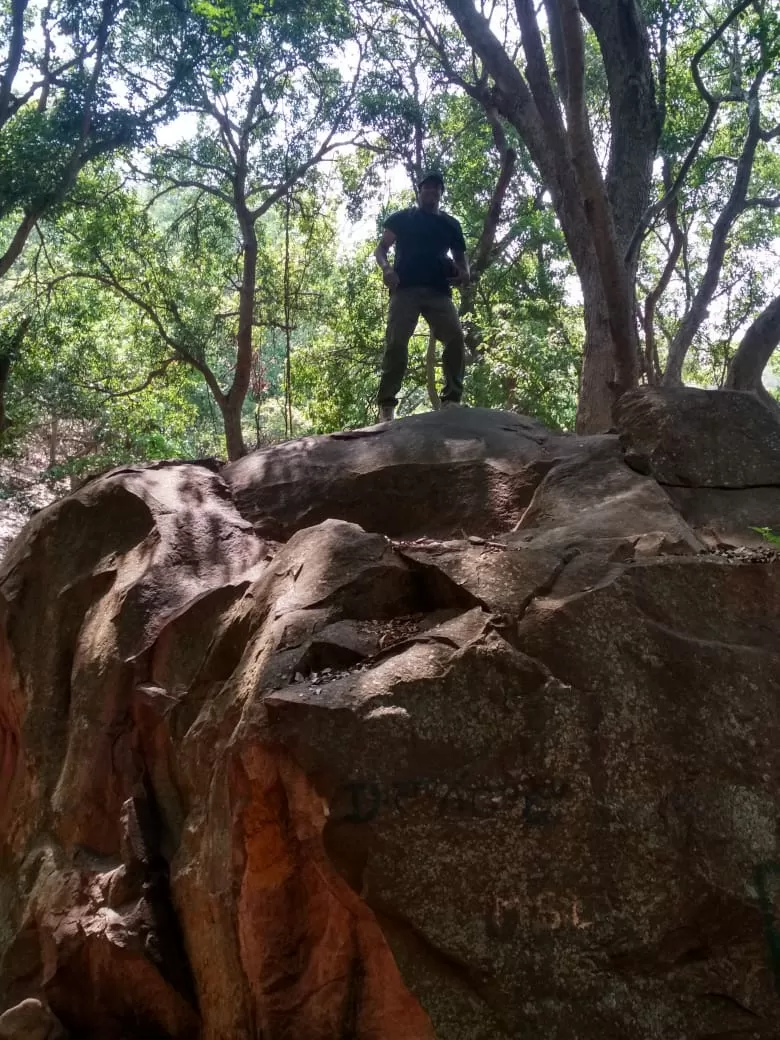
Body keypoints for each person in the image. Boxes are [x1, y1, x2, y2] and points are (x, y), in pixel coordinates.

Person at [374, 171, 470, 422]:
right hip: (405, 289)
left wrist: (463, 273)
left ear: (441, 194)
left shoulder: (450, 224)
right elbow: (382, 248)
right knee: (396, 343)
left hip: (438, 291)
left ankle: (451, 400)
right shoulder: (402, 219)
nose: (432, 192)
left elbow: (461, 258)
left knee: (456, 339)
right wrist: (387, 269)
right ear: (419, 191)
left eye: (437, 188)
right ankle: (386, 405)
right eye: (427, 188)